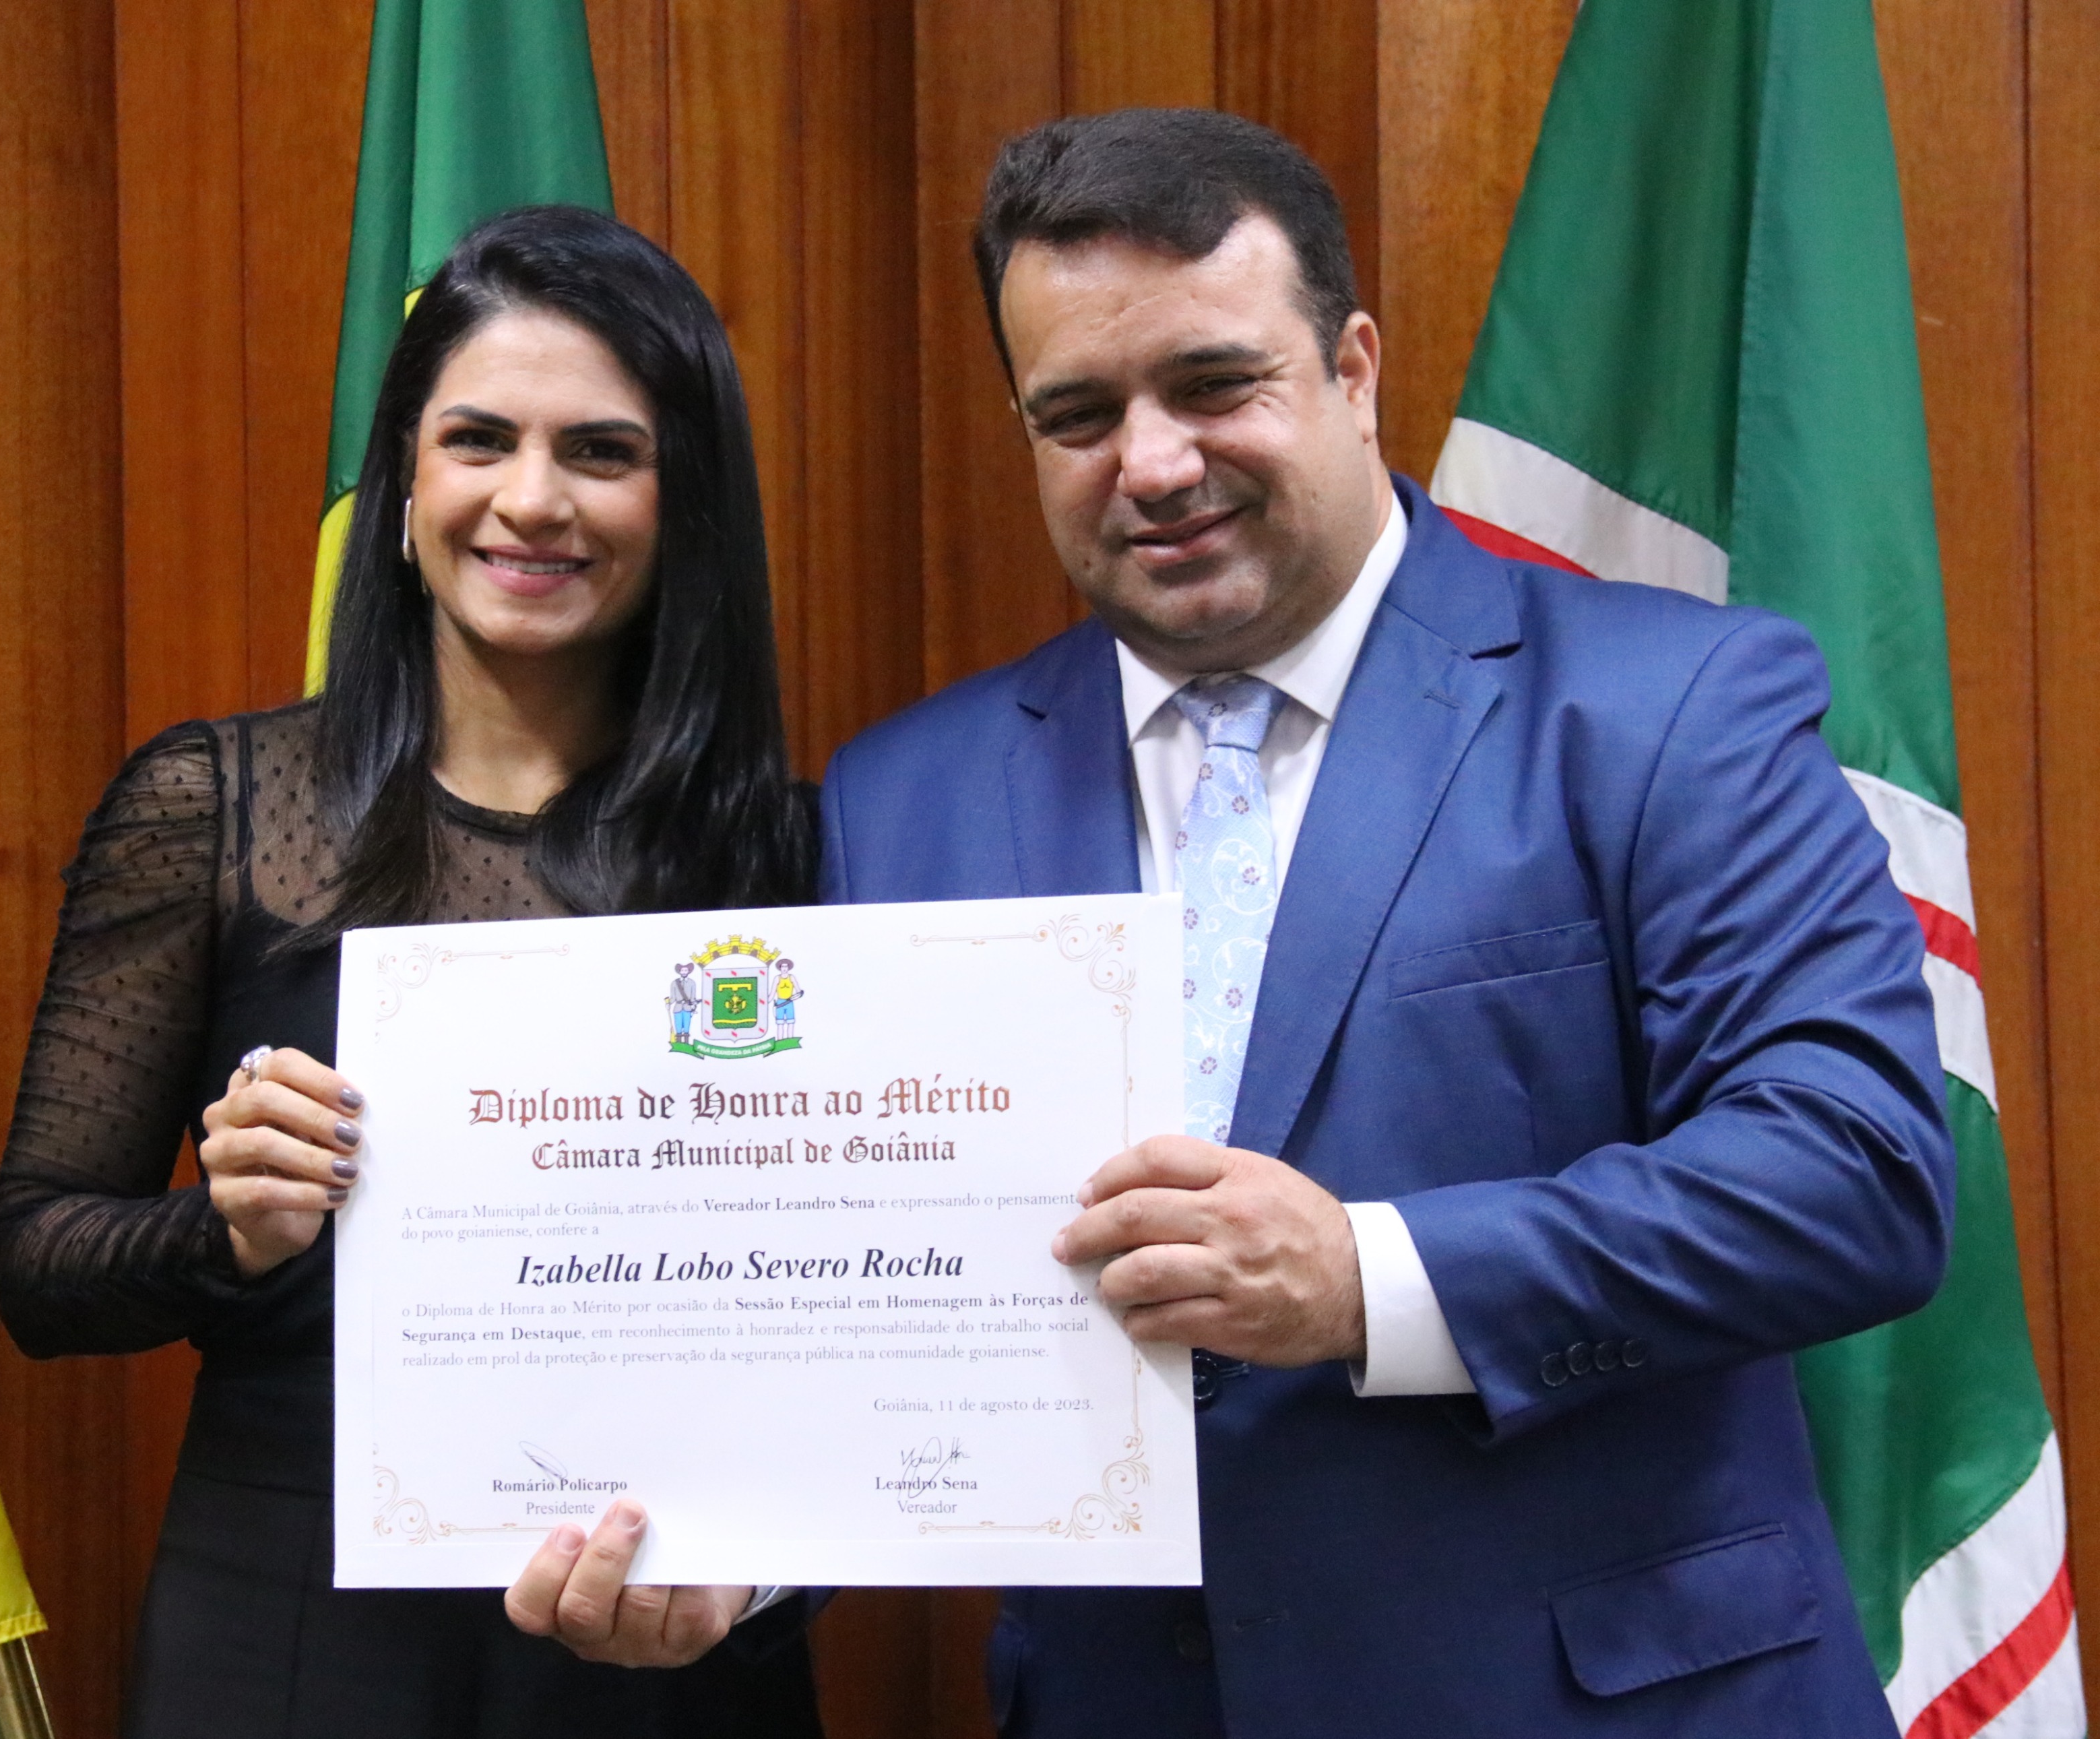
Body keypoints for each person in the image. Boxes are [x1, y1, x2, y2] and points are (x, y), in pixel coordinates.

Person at [531, 108, 1959, 1733]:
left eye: (1213, 384)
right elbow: (877, 1295)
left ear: (1352, 370)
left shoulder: (1667, 703)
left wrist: (1367, 1277)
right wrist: (741, 1558)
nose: (1150, 464)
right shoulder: (905, 795)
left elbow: (1851, 1173)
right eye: (1077, 414)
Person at [0, 205, 820, 1739]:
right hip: (292, 1621)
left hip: (659, 1631)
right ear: (403, 488)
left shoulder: (792, 853)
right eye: (478, 440)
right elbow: (37, 1267)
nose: (531, 499)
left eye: (602, 452)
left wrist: (761, 1575)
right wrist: (228, 1232)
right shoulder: (216, 809)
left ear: (683, 502)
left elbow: (850, 1334)